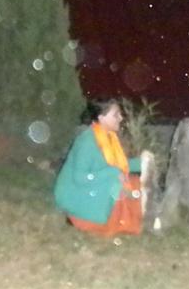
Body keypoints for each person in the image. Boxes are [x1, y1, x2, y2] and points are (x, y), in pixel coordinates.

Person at [54, 98, 146, 237]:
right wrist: (114, 173)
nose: (121, 118)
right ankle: (99, 220)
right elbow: (80, 178)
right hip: (76, 194)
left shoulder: (108, 137)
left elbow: (117, 164)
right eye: (116, 115)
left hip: (92, 187)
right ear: (101, 117)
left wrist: (143, 163)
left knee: (134, 182)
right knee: (118, 184)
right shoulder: (87, 141)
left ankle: (129, 220)